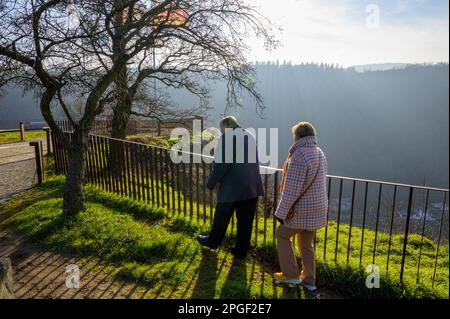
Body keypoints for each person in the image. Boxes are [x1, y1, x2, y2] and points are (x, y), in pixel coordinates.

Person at [197, 116, 264, 259]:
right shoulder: (249, 135)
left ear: (226, 126)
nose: (220, 132)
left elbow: (221, 165)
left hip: (232, 187)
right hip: (251, 186)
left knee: (221, 216)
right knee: (245, 221)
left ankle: (213, 241)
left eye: (221, 128)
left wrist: (210, 183)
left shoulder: (227, 137)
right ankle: (241, 251)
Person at [274, 121, 328, 293]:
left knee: (281, 234)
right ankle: (309, 280)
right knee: (306, 244)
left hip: (301, 210)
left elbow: (291, 189)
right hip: (317, 209)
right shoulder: (319, 153)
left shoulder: (299, 155)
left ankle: (290, 275)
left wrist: (280, 213)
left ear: (297, 136)